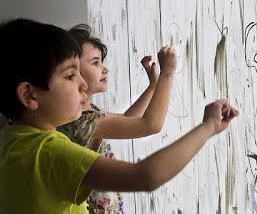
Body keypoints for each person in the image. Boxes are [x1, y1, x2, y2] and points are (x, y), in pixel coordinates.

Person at [0, 18, 239, 214]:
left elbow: (127, 120)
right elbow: (146, 174)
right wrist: (208, 127)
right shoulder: (50, 151)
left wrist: (152, 86)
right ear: (29, 95)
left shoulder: (12, 141)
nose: (83, 84)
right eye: (71, 76)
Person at [57, 24, 176, 213]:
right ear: (73, 71)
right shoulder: (79, 121)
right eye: (95, 63)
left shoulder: (87, 113)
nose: (105, 69)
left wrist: (153, 86)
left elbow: (128, 119)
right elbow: (151, 125)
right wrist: (167, 73)